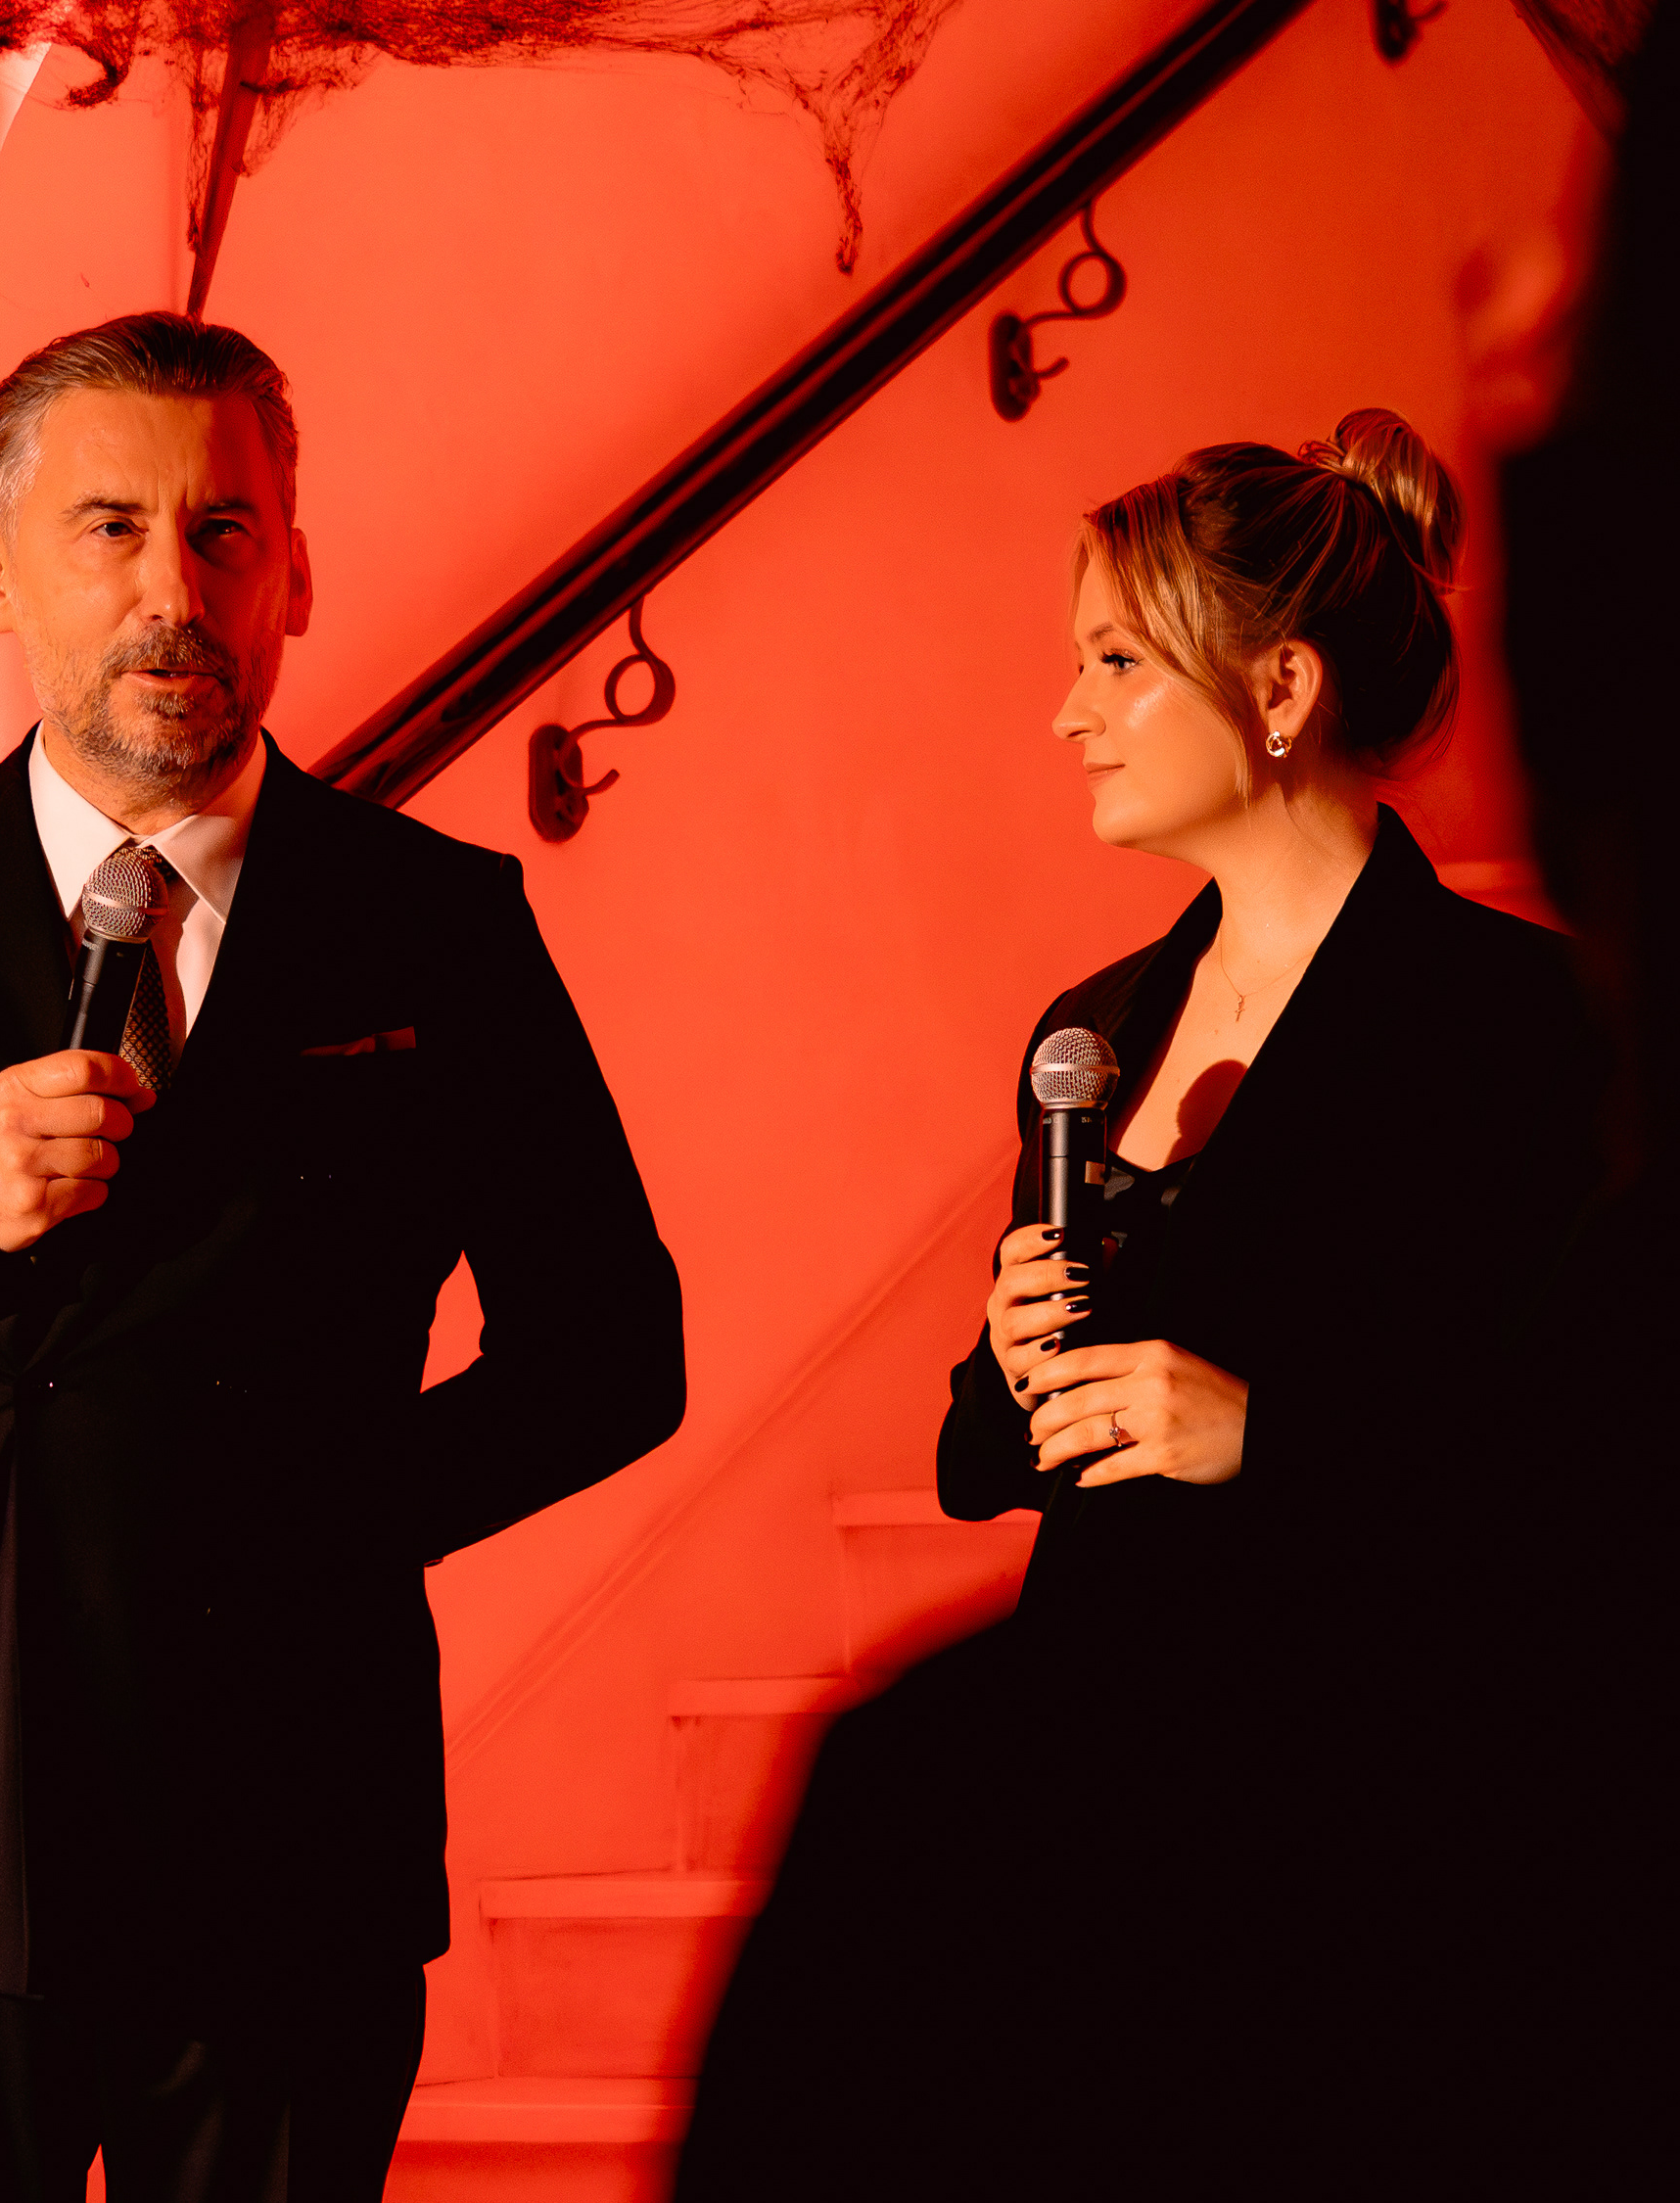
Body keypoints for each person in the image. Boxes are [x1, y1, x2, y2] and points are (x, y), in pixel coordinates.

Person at [0, 313, 683, 2203]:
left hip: (294, 1809)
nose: (170, 592)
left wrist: (333, 1515)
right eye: (110, 527)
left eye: (222, 533)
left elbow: (611, 1346)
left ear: (294, 575)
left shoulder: (439, 926)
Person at [678, 411, 1600, 2192]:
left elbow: (1589, 1456)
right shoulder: (1091, 1027)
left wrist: (1268, 1433)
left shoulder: (1517, 1027)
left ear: (1280, 686)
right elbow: (980, 1459)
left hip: (1366, 1808)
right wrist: (1009, 1352)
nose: (1067, 712)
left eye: (1114, 660)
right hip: (1101, 1802)